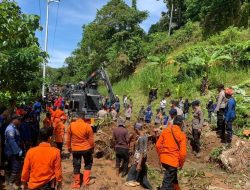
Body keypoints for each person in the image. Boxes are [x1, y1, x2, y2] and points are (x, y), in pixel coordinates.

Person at [156, 116, 187, 190]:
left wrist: (161, 156)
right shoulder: (181, 135)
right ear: (182, 124)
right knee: (166, 185)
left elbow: (158, 145)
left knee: (173, 179)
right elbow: (183, 154)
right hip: (172, 162)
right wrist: (181, 164)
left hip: (164, 160)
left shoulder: (166, 130)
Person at [66, 112, 95, 188]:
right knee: (88, 164)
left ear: (77, 118)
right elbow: (91, 140)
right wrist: (92, 148)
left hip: (75, 149)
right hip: (86, 149)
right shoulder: (87, 126)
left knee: (76, 165)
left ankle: (77, 184)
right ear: (84, 118)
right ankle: (86, 181)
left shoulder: (71, 126)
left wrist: (69, 148)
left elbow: (68, 139)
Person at [126, 124, 152, 189]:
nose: (134, 132)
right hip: (141, 159)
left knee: (130, 177)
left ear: (137, 129)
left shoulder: (141, 138)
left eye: (135, 130)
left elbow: (142, 152)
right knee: (143, 179)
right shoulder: (144, 136)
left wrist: (139, 164)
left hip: (139, 160)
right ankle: (151, 188)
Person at [4, 115, 23, 188]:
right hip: (11, 151)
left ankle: (9, 181)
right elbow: (12, 141)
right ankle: (10, 182)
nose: (20, 122)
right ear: (14, 120)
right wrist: (18, 151)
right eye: (19, 120)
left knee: (11, 166)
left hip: (12, 151)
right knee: (15, 166)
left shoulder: (14, 128)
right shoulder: (10, 129)